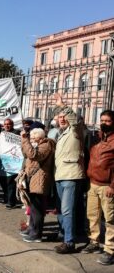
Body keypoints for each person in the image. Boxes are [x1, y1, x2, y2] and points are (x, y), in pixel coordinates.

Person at [52, 93, 85, 254]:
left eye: (64, 116)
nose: (62, 118)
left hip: (71, 175)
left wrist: (63, 105)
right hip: (59, 175)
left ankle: (69, 242)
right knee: (60, 209)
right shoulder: (60, 134)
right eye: (60, 117)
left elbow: (75, 122)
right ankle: (63, 234)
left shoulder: (76, 131)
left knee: (67, 210)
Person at [82, 110, 114, 265]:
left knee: (110, 220)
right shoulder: (98, 139)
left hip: (107, 187)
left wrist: (112, 186)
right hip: (93, 184)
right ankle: (94, 242)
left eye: (107, 121)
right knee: (92, 216)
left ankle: (110, 250)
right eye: (102, 120)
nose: (104, 123)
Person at [19, 128, 55, 242]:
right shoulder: (36, 144)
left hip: (40, 179)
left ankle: (36, 234)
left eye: (34, 138)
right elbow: (26, 154)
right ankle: (31, 229)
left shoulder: (46, 145)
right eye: (31, 138)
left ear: (40, 137)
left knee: (38, 208)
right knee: (33, 206)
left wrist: (25, 140)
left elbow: (34, 155)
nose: (32, 140)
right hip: (33, 178)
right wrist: (24, 141)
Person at [0, 118, 20, 209]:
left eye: (9, 124)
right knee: (4, 182)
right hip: (4, 161)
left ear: (12, 125)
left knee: (11, 182)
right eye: (5, 124)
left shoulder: (17, 133)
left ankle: (11, 202)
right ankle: (7, 198)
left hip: (14, 162)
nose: (7, 126)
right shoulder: (2, 134)